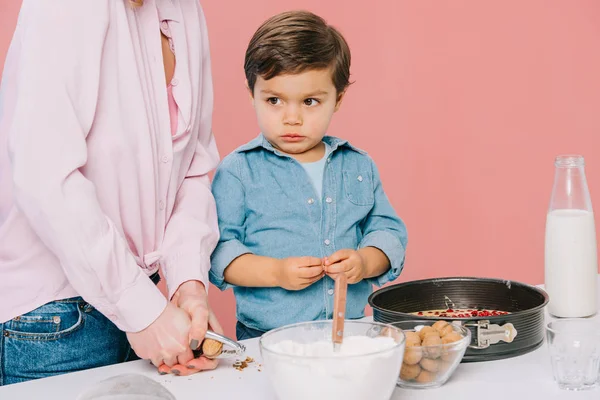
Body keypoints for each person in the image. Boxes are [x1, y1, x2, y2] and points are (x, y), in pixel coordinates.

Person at [0, 0, 221, 385]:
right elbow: (44, 175)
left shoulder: (185, 9)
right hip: (57, 320)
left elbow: (193, 167)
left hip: (142, 302)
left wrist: (189, 284)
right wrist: (141, 309)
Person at [209, 10, 408, 340]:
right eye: (274, 100)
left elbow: (388, 233)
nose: (292, 117)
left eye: (310, 101)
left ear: (338, 99)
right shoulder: (238, 171)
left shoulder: (358, 166)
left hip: (352, 330)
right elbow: (219, 253)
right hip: (266, 336)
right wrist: (277, 272)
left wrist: (363, 261)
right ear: (251, 95)